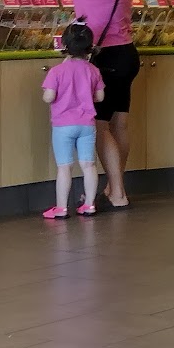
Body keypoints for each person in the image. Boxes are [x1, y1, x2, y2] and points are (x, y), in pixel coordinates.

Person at [47, 0, 138, 209]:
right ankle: (114, 186)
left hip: (104, 55)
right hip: (127, 53)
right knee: (120, 124)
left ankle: (118, 193)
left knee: (99, 127)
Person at [40, 21, 104, 219]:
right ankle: (89, 205)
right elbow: (100, 97)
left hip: (63, 126)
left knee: (64, 167)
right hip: (87, 124)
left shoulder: (57, 71)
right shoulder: (93, 70)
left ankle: (61, 208)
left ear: (64, 44)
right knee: (89, 165)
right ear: (89, 46)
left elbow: (49, 97)